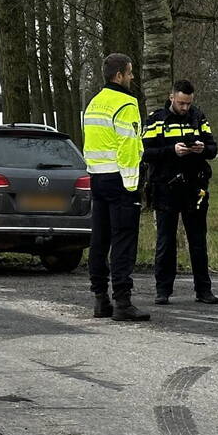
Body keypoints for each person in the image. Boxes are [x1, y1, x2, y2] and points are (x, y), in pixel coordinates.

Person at [83, 53, 149, 322]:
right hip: (121, 181)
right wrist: (133, 186)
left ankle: (100, 299)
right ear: (119, 75)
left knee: (99, 239)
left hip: (97, 178)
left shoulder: (95, 103)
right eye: (130, 72)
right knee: (124, 239)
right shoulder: (126, 103)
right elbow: (129, 147)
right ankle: (123, 301)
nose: (133, 77)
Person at [142, 80, 218, 306]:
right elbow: (147, 153)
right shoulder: (157, 119)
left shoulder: (199, 117)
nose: (185, 108)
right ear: (171, 97)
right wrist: (172, 150)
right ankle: (163, 290)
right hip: (166, 186)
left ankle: (203, 290)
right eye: (181, 103)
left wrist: (202, 149)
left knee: (198, 240)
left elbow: (213, 148)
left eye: (188, 103)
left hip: (194, 186)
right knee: (165, 240)